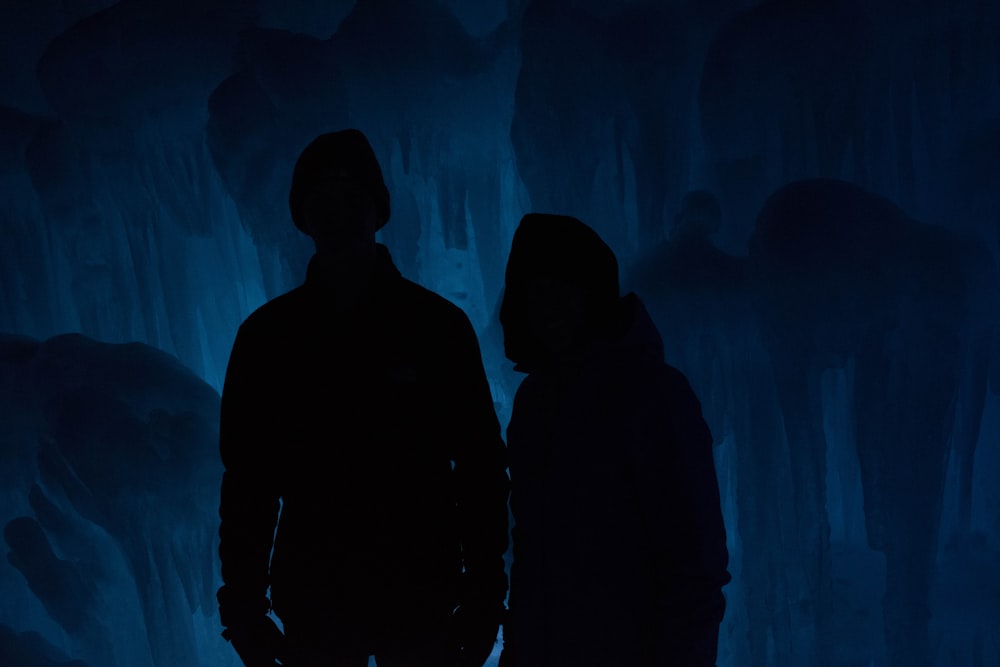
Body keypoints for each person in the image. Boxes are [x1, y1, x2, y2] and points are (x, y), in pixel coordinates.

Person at [216, 129, 509, 667]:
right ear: (303, 216)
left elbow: (480, 468)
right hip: (329, 600)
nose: (338, 212)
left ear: (377, 209)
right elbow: (248, 484)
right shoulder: (268, 338)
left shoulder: (436, 328)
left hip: (414, 596)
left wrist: (485, 593)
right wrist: (242, 607)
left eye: (351, 197)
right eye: (323, 200)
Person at [498, 213, 730, 666]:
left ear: (593, 293)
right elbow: (531, 550)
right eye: (537, 291)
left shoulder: (653, 394)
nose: (550, 307)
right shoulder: (535, 400)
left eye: (565, 287)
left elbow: (695, 564)